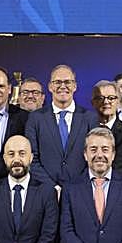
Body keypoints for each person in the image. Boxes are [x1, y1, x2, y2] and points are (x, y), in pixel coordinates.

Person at [24, 64, 92, 192]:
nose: (63, 86)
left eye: (67, 82)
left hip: (81, 191)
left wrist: (78, 186)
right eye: (57, 82)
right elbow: (31, 158)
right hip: (45, 191)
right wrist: (53, 187)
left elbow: (93, 156)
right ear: (50, 87)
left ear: (75, 86)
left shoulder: (89, 118)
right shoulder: (36, 118)